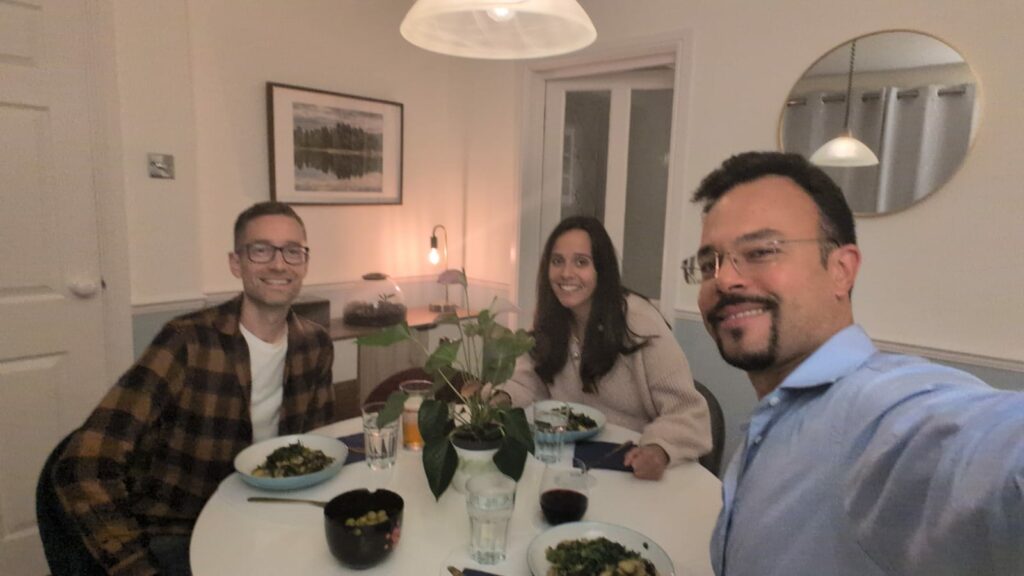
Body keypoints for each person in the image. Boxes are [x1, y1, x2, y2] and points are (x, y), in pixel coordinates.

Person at [687, 151, 1024, 576]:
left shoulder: (882, 414)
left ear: (841, 270)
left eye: (760, 251)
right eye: (707, 263)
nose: (724, 279)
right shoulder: (776, 416)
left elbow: (990, 453)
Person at [51, 201, 335, 575]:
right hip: (177, 529)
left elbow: (315, 451)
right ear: (237, 263)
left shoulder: (314, 345)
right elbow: (81, 466)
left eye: (292, 251)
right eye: (261, 250)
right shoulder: (186, 342)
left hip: (263, 518)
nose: (279, 264)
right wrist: (135, 566)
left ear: (305, 263)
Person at [502, 216, 712, 480]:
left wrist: (659, 449)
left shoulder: (639, 321)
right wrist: (500, 399)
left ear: (602, 269)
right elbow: (528, 383)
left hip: (633, 466)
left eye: (581, 262)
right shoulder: (550, 318)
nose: (566, 273)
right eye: (558, 261)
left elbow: (688, 411)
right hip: (569, 462)